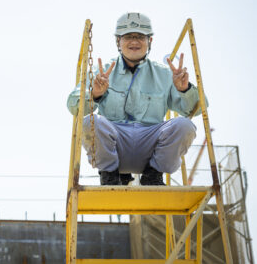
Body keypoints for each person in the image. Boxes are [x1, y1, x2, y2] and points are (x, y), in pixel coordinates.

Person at [67, 12, 203, 185]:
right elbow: (73, 106)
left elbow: (199, 109)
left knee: (184, 125)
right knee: (89, 122)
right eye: (128, 37)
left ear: (150, 41)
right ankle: (110, 174)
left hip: (151, 145)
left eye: (140, 36)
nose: (134, 42)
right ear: (118, 41)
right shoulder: (102, 71)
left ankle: (152, 175)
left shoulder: (165, 74)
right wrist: (95, 94)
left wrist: (185, 89)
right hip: (115, 146)